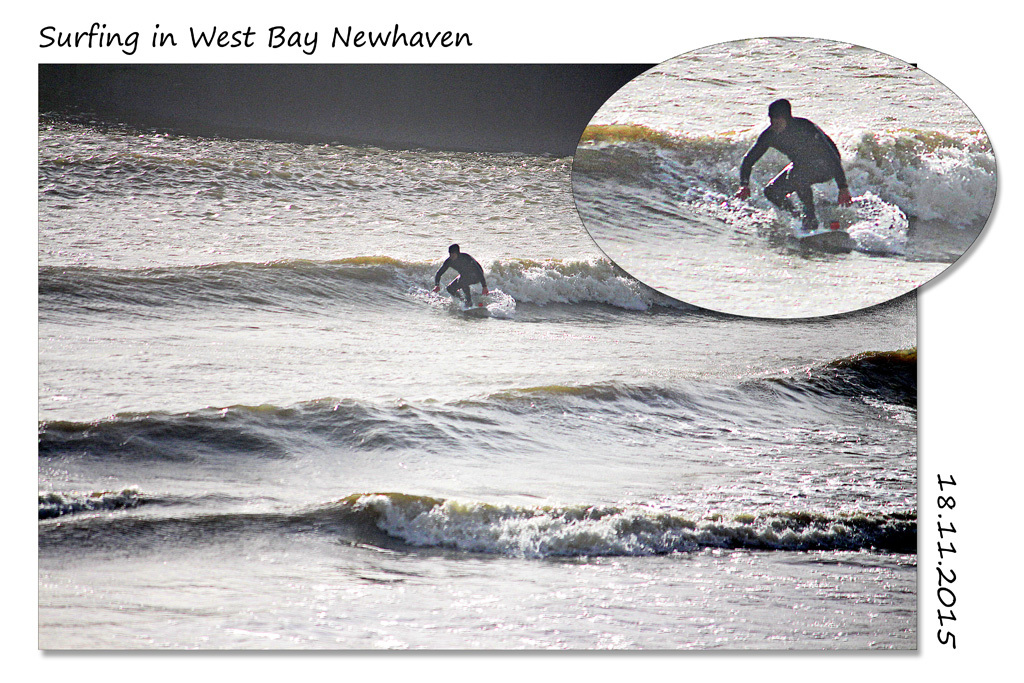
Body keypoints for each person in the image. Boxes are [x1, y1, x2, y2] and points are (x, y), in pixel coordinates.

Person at [735, 99, 853, 232]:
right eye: (772, 120)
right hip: (801, 166)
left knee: (797, 174)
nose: (775, 125)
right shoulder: (770, 135)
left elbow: (831, 157)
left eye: (778, 120)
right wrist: (744, 185)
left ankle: (810, 218)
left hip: (826, 165)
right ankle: (797, 216)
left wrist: (843, 187)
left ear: (787, 118)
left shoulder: (805, 128)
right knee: (771, 191)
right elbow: (749, 159)